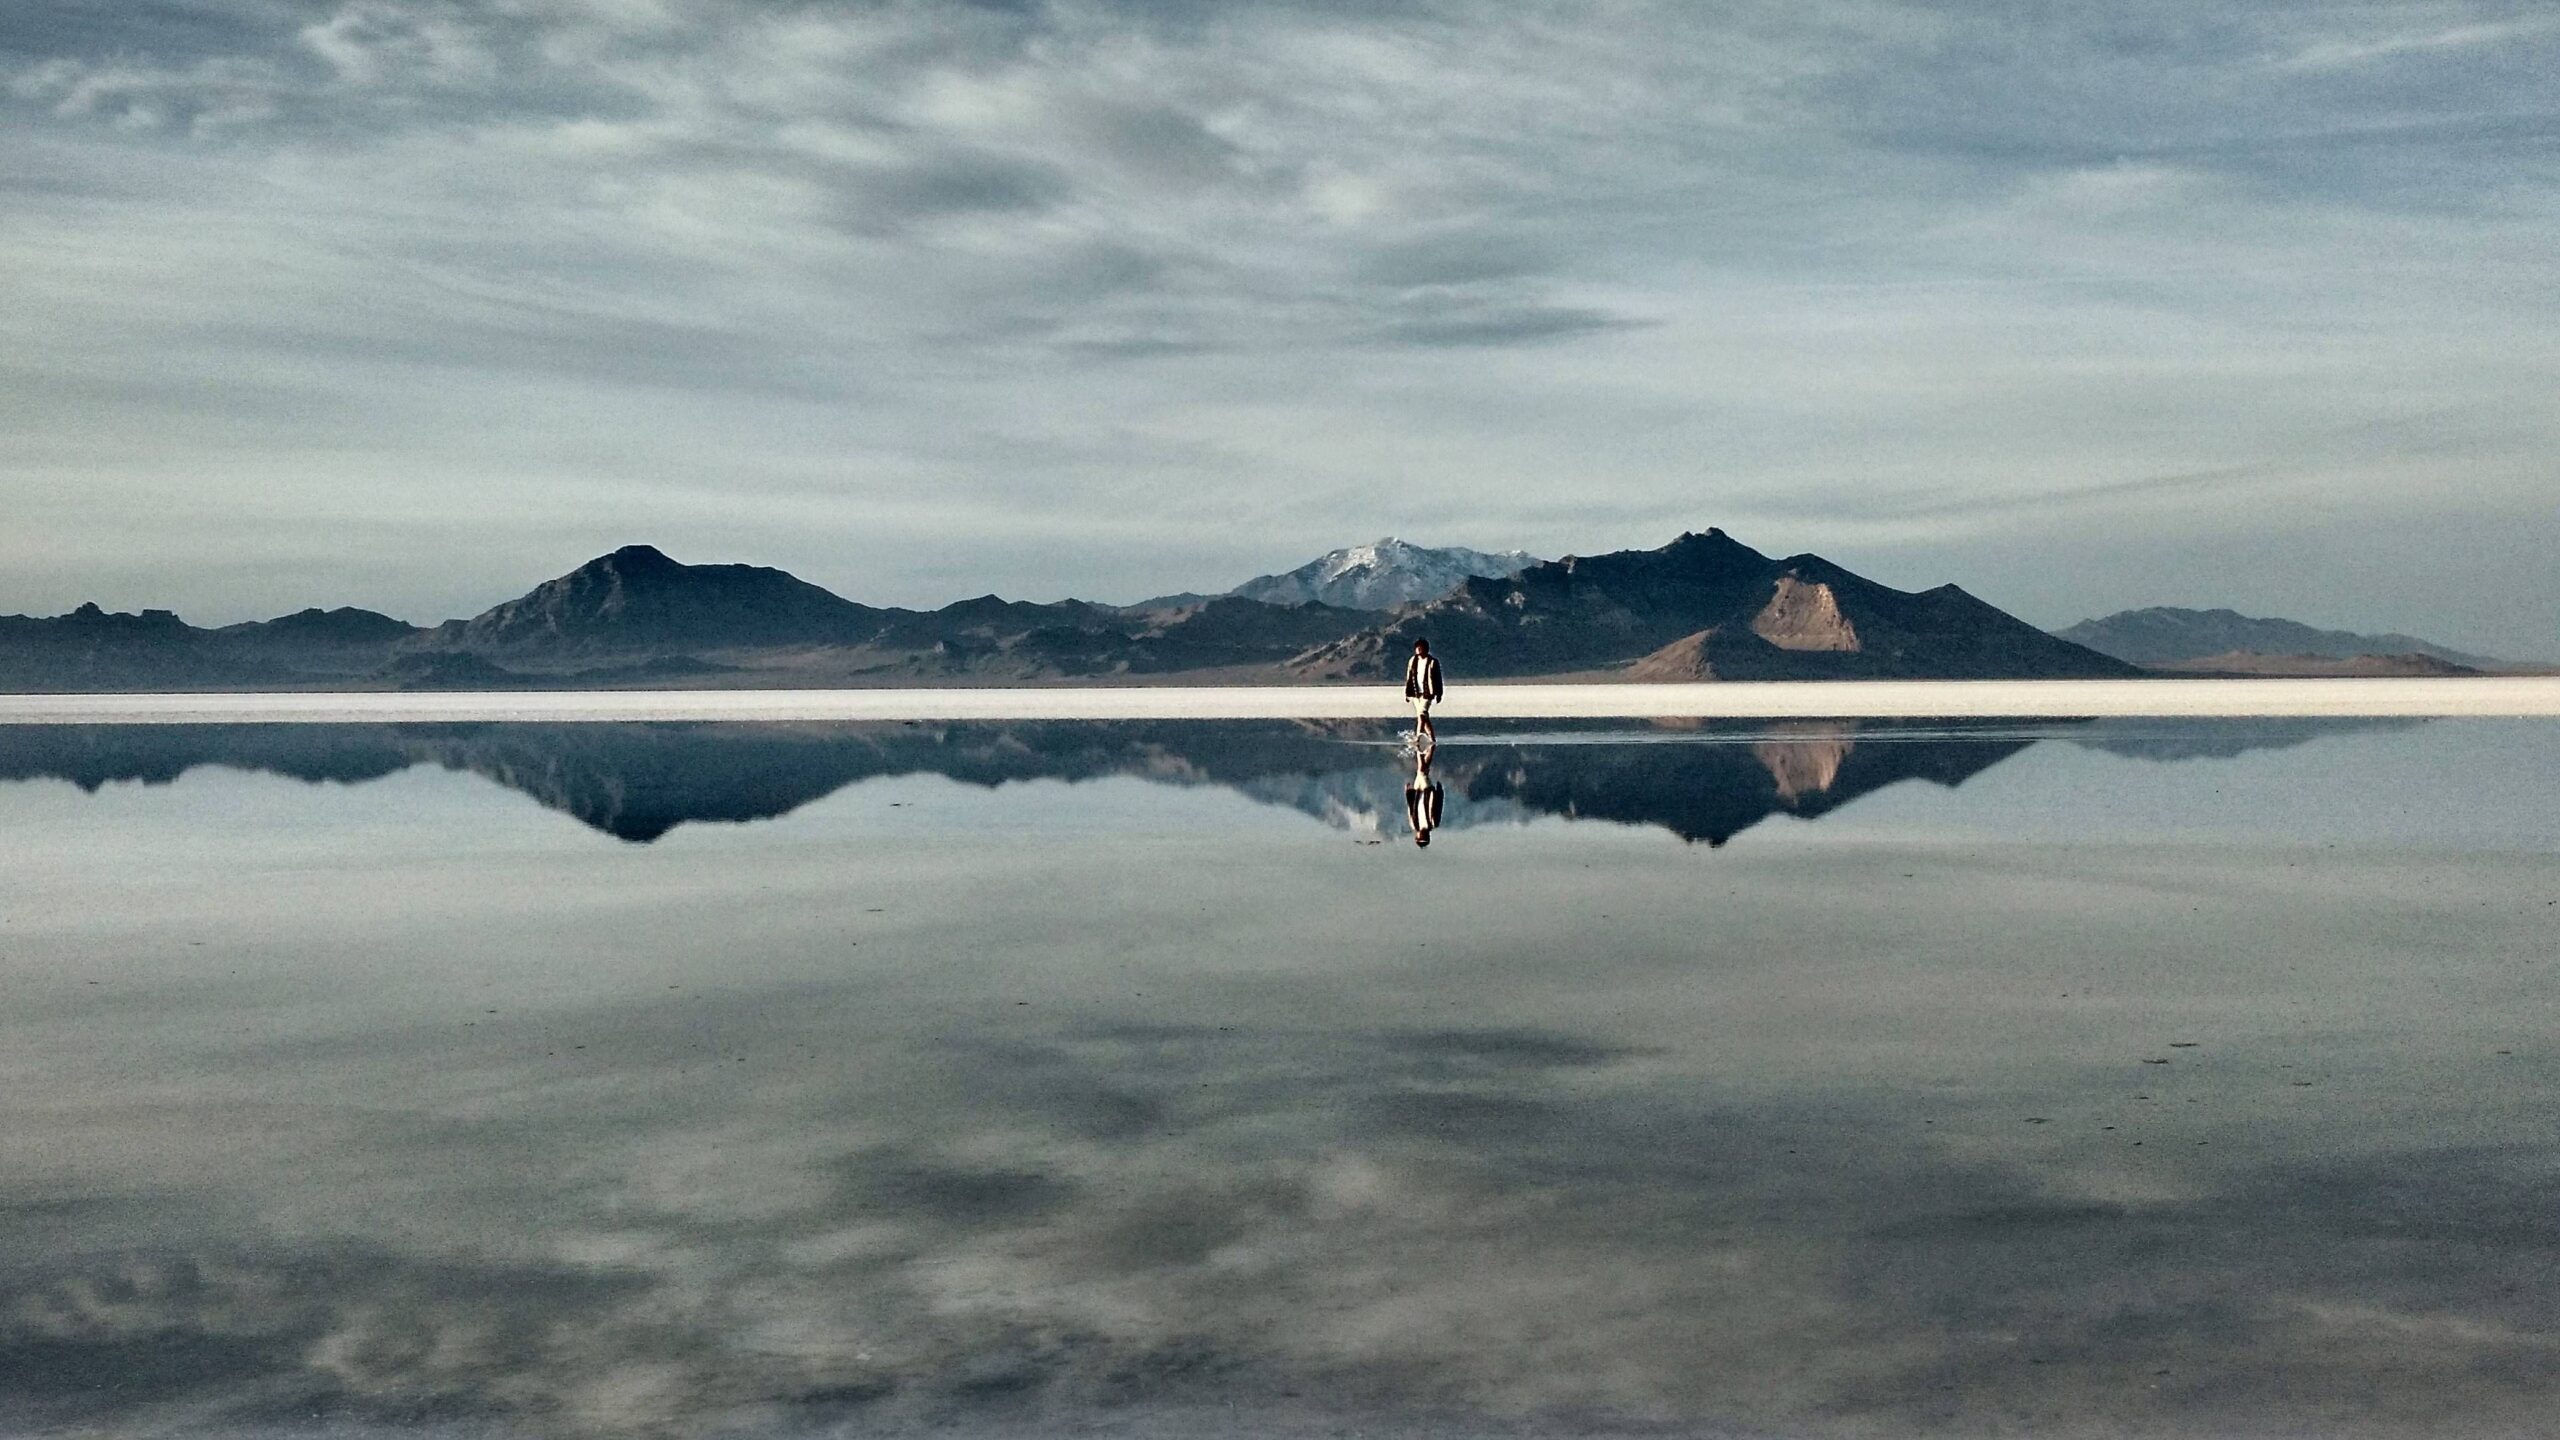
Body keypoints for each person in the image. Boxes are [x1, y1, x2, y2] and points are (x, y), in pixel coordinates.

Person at [1402, 637, 1443, 743]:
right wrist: (1407, 693)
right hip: (1416, 694)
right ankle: (1432, 739)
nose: (1419, 650)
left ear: (1427, 649)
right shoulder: (1413, 661)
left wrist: (1439, 694)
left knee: (1422, 714)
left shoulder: (1433, 662)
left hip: (1428, 693)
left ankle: (1418, 737)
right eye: (1418, 648)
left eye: (1421, 648)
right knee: (1424, 717)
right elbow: (1409, 677)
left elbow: (1438, 679)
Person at [1404, 742, 1443, 848]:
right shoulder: (1433, 823)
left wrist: (1408, 792)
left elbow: (1410, 808)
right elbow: (1438, 806)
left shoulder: (1414, 824)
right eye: (1424, 838)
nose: (1421, 835)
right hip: (1427, 792)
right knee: (1422, 770)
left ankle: (1428, 746)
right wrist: (1439, 791)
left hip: (1417, 791)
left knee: (1422, 769)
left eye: (1420, 837)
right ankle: (1419, 746)